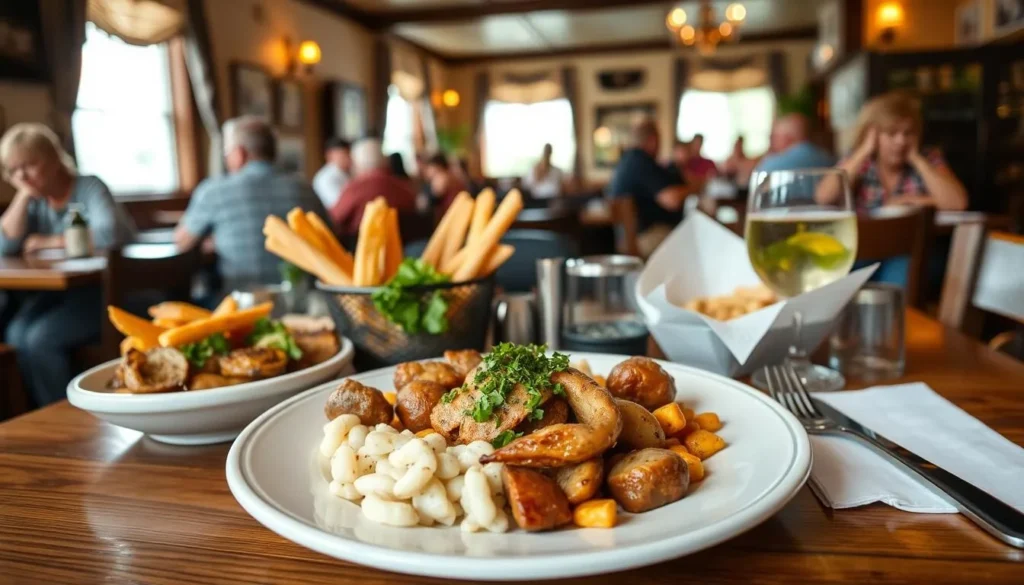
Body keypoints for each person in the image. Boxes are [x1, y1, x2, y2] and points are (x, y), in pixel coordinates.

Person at [0, 123, 136, 406]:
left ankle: (64, 411)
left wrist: (49, 241)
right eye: (13, 170)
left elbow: (111, 233)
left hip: (103, 294)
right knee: (15, 332)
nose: (22, 175)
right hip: (58, 296)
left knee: (40, 339)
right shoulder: (34, 202)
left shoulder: (88, 186)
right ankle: (44, 410)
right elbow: (5, 246)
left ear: (53, 159)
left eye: (30, 165)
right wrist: (24, 194)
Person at [175, 116, 328, 291]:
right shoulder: (305, 187)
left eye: (227, 153)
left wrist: (216, 239)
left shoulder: (214, 190)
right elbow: (328, 236)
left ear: (240, 153)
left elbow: (182, 241)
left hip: (240, 301)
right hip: (304, 298)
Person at [827, 92, 967, 212]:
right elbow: (825, 196)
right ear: (873, 134)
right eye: (891, 133)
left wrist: (908, 200)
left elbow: (957, 204)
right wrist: (864, 150)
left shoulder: (929, 158)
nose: (901, 141)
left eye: (908, 133)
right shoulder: (859, 159)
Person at [607, 117, 692, 257]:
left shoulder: (627, 160)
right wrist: (693, 188)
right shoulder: (640, 161)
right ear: (653, 140)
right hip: (645, 238)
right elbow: (672, 200)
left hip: (630, 239)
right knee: (695, 240)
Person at [330, 138, 417, 235]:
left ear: (357, 163)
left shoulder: (355, 188)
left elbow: (333, 219)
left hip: (361, 247)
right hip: (403, 245)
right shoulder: (404, 187)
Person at [754, 113, 835, 173]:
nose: (771, 140)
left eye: (775, 136)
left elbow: (759, 177)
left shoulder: (774, 164)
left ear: (787, 138)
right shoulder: (827, 158)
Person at [311, 138, 351, 210]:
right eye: (344, 154)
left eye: (348, 154)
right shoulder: (326, 177)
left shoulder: (345, 173)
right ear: (329, 154)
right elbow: (338, 205)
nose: (348, 158)